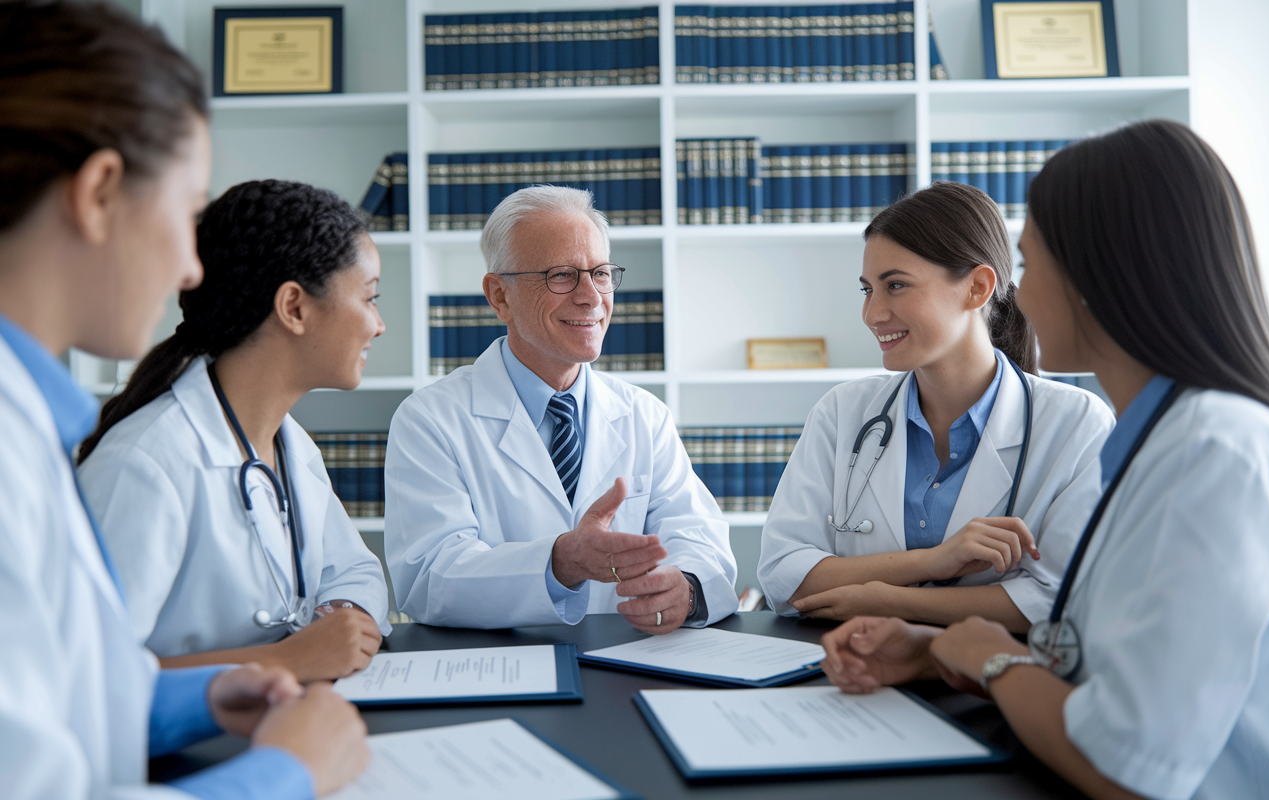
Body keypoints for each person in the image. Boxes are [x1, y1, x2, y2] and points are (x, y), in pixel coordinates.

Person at [819, 119, 1269, 800]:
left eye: (1031, 265)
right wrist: (933, 653)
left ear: (1107, 274)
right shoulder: (1161, 444)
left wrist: (994, 657)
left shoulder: (1216, 453)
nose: (1020, 296)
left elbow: (1127, 770)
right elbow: (1108, 666)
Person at [0, 1, 367, 798]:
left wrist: (198, 698)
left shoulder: (28, 429)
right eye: (186, 211)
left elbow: (57, 695)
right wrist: (287, 774)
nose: (193, 270)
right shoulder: (43, 457)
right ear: (100, 193)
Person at [757, 181, 1113, 631]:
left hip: (985, 686)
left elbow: (1058, 598)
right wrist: (932, 562)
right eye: (868, 289)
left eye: (897, 286)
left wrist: (880, 599)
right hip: (848, 675)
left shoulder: (1077, 424)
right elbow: (785, 578)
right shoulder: (842, 412)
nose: (872, 314)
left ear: (977, 288)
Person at [77, 179, 392, 683]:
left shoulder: (288, 443)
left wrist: (339, 616)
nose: (378, 325)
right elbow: (88, 679)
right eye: (370, 298)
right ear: (294, 308)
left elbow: (355, 572)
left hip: (282, 721)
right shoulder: (144, 465)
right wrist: (287, 660)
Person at [385, 185, 737, 631]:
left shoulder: (644, 415)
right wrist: (560, 562)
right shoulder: (430, 420)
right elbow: (428, 578)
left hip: (628, 662)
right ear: (499, 296)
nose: (592, 297)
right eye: (562, 275)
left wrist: (685, 586)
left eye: (601, 273)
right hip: (500, 673)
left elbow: (699, 536)